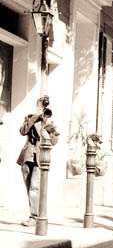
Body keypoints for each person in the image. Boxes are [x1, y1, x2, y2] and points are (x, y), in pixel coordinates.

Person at [17, 95, 59, 226]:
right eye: (40, 107)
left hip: (40, 158)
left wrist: (48, 129)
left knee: (34, 187)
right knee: (29, 187)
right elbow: (23, 131)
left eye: (44, 108)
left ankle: (34, 217)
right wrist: (35, 116)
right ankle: (34, 213)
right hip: (27, 156)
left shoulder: (50, 123)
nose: (43, 111)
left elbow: (54, 141)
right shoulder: (30, 117)